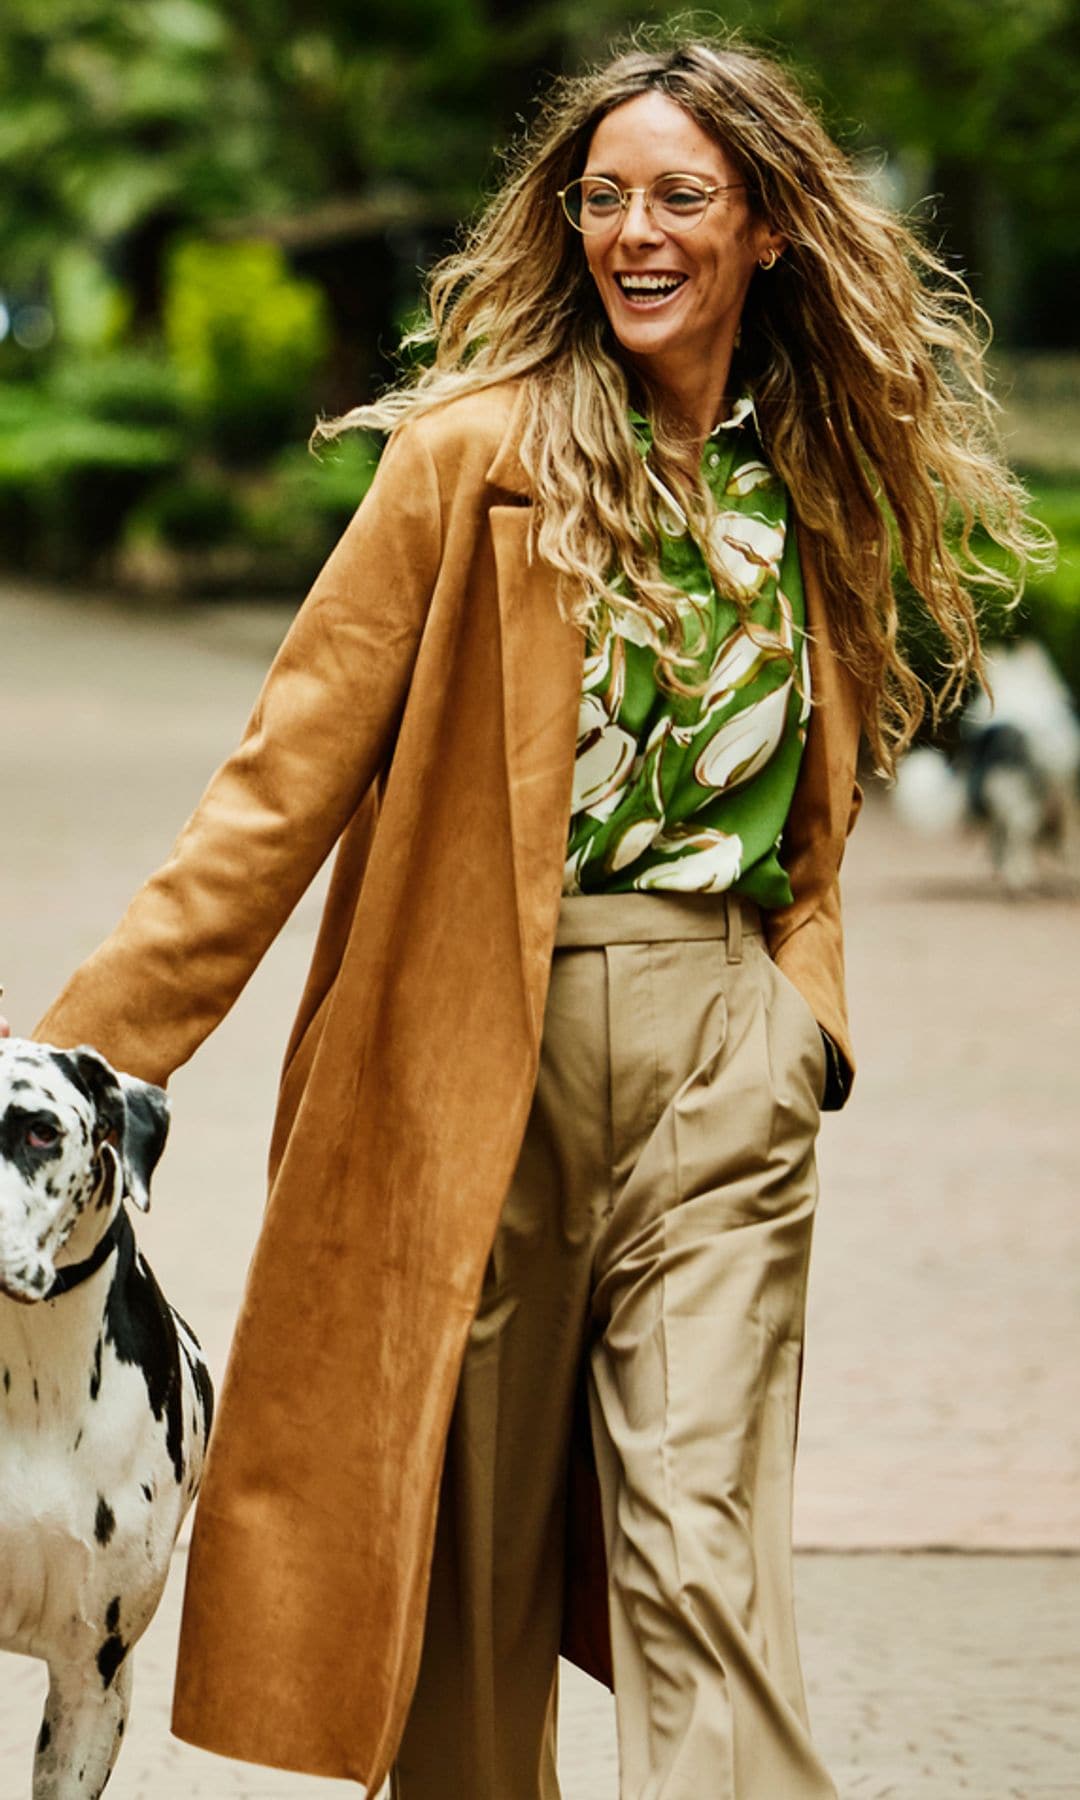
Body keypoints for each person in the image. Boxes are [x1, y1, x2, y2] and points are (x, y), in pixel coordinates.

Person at [18, 31, 1042, 1800]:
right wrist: (65, 1062)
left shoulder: (815, 485)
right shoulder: (471, 460)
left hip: (727, 1055)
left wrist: (804, 1014)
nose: (637, 232)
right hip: (468, 1058)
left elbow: (815, 798)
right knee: (472, 1576)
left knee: (704, 1548)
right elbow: (278, 788)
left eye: (682, 199)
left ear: (771, 227)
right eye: (606, 197)